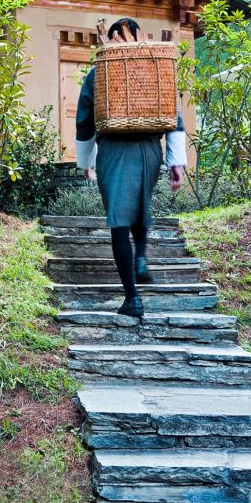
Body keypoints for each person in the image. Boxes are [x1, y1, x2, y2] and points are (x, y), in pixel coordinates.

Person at [73, 17, 187, 318]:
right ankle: (141, 258)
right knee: (140, 206)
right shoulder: (156, 71)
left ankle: (132, 298)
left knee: (118, 222)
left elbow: (84, 121)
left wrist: (86, 161)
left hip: (113, 150)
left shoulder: (100, 74)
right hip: (151, 149)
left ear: (110, 41)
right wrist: (175, 161)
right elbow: (173, 116)